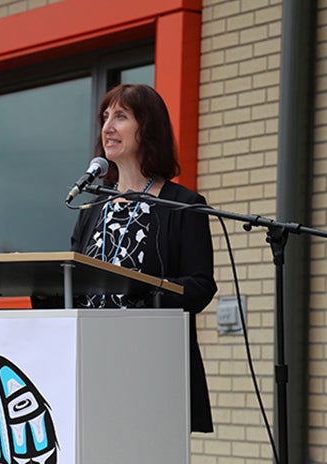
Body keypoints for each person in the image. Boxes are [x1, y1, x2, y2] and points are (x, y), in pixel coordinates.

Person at [69, 83, 217, 432]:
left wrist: (143, 291)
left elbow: (200, 287)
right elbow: (74, 285)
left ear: (147, 128)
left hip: (151, 372)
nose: (107, 127)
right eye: (105, 118)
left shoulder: (182, 205)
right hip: (92, 370)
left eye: (120, 117)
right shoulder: (91, 209)